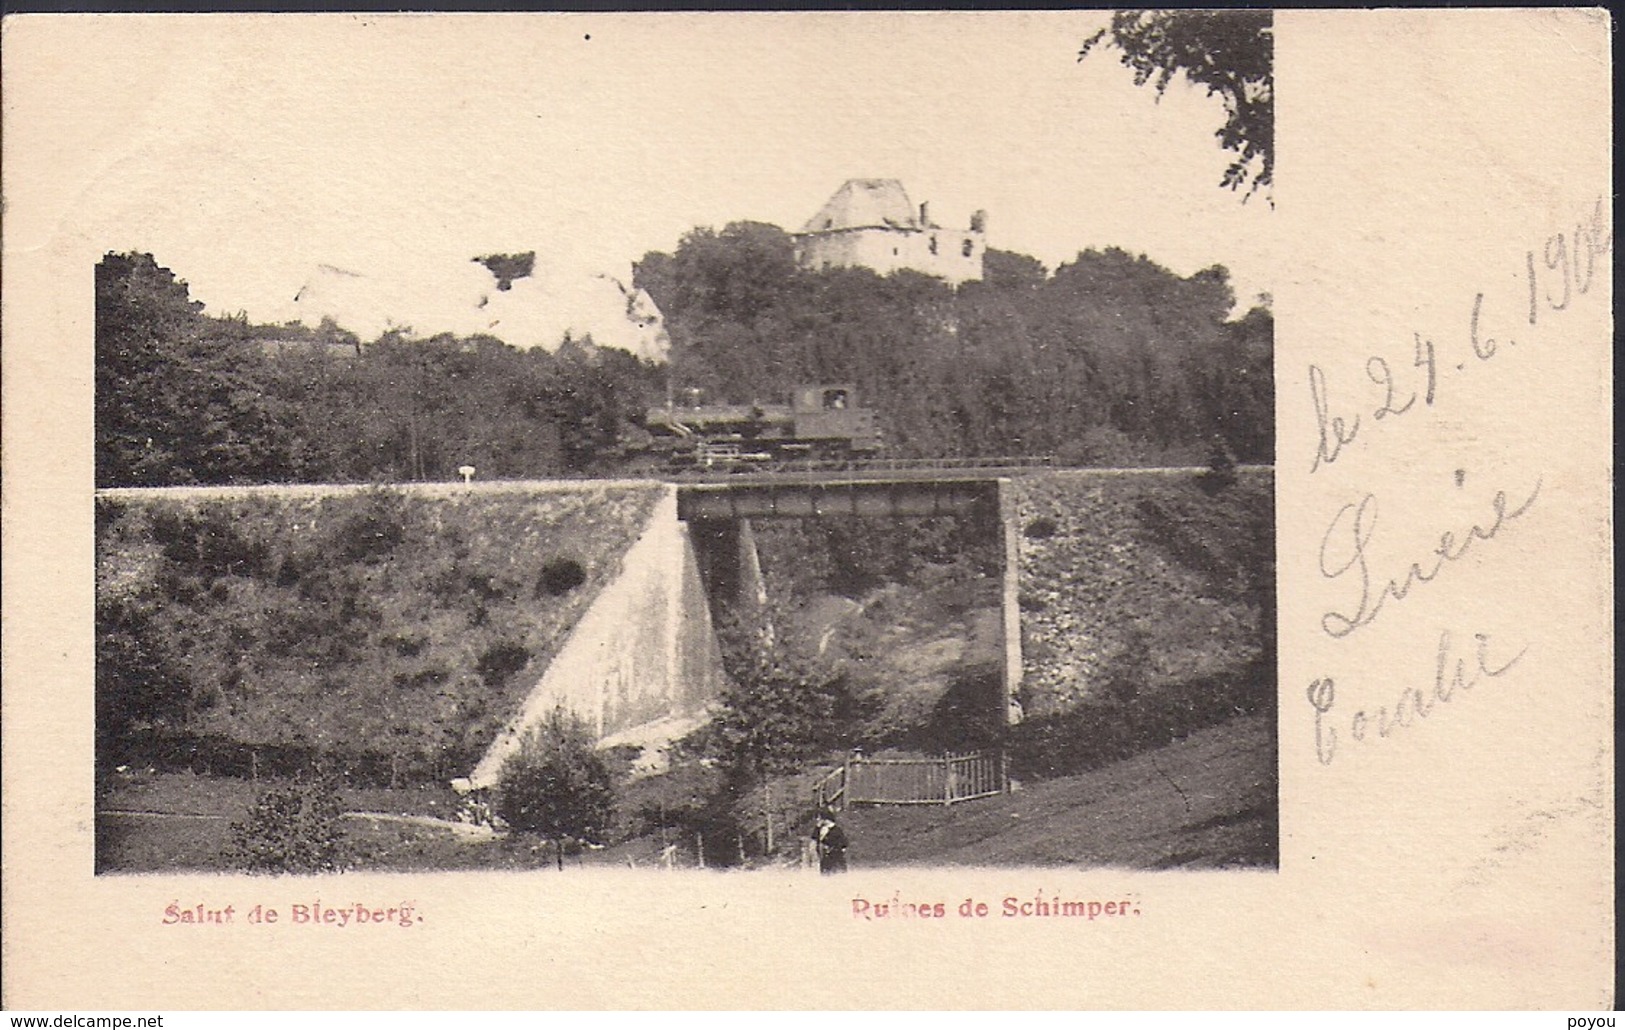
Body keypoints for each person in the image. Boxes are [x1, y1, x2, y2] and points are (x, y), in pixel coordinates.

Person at [813, 809, 849, 874]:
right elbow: (814, 837)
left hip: (834, 855)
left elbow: (843, 842)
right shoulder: (821, 828)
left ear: (825, 819)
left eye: (819, 818)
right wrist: (817, 827)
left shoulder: (836, 830)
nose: (818, 820)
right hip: (825, 856)